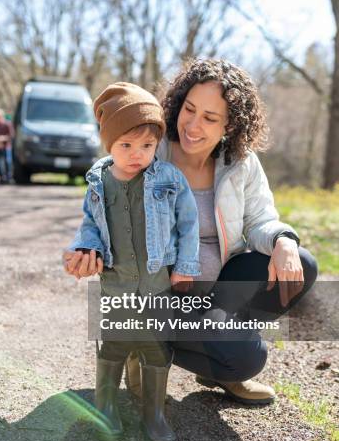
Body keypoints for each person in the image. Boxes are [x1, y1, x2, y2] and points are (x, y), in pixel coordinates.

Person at [67, 59, 318, 406]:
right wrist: (88, 248)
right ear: (178, 104)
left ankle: (219, 359)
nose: (193, 125)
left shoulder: (240, 162)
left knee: (301, 263)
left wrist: (283, 241)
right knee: (248, 357)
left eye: (210, 118)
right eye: (189, 109)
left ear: (230, 126)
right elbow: (105, 210)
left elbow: (261, 218)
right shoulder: (151, 150)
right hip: (160, 290)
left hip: (217, 289)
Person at [64, 82, 201, 441]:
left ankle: (153, 413)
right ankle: (106, 407)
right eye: (126, 145)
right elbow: (90, 225)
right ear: (109, 144)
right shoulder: (98, 181)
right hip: (116, 284)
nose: (137, 154)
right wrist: (84, 249)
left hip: (157, 284)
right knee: (114, 345)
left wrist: (186, 265)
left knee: (156, 347)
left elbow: (188, 224)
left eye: (146, 146)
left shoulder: (169, 180)